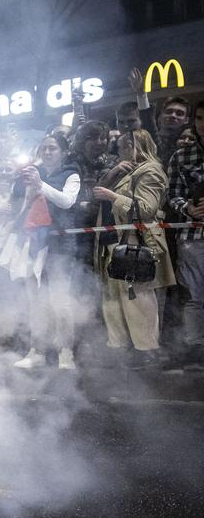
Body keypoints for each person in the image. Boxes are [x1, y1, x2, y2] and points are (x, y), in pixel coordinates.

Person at [92, 129, 174, 366]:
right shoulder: (123, 170)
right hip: (111, 242)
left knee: (137, 300)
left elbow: (146, 209)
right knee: (112, 301)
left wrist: (112, 196)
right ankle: (119, 350)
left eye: (123, 146)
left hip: (133, 243)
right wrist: (113, 176)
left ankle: (146, 353)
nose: (119, 151)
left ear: (135, 145)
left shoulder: (151, 170)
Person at [3, 134, 81, 371]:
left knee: (60, 302)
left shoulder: (71, 174)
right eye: (44, 148)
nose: (47, 152)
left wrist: (40, 185)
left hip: (59, 247)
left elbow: (67, 201)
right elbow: (19, 206)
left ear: (63, 152)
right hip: (32, 245)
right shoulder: (31, 174)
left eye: (53, 148)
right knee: (34, 301)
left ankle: (65, 352)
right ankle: (36, 350)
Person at [166, 124, 204, 360]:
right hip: (192, 236)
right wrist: (189, 207)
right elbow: (172, 194)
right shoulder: (182, 156)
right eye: (199, 118)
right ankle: (195, 346)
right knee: (194, 295)